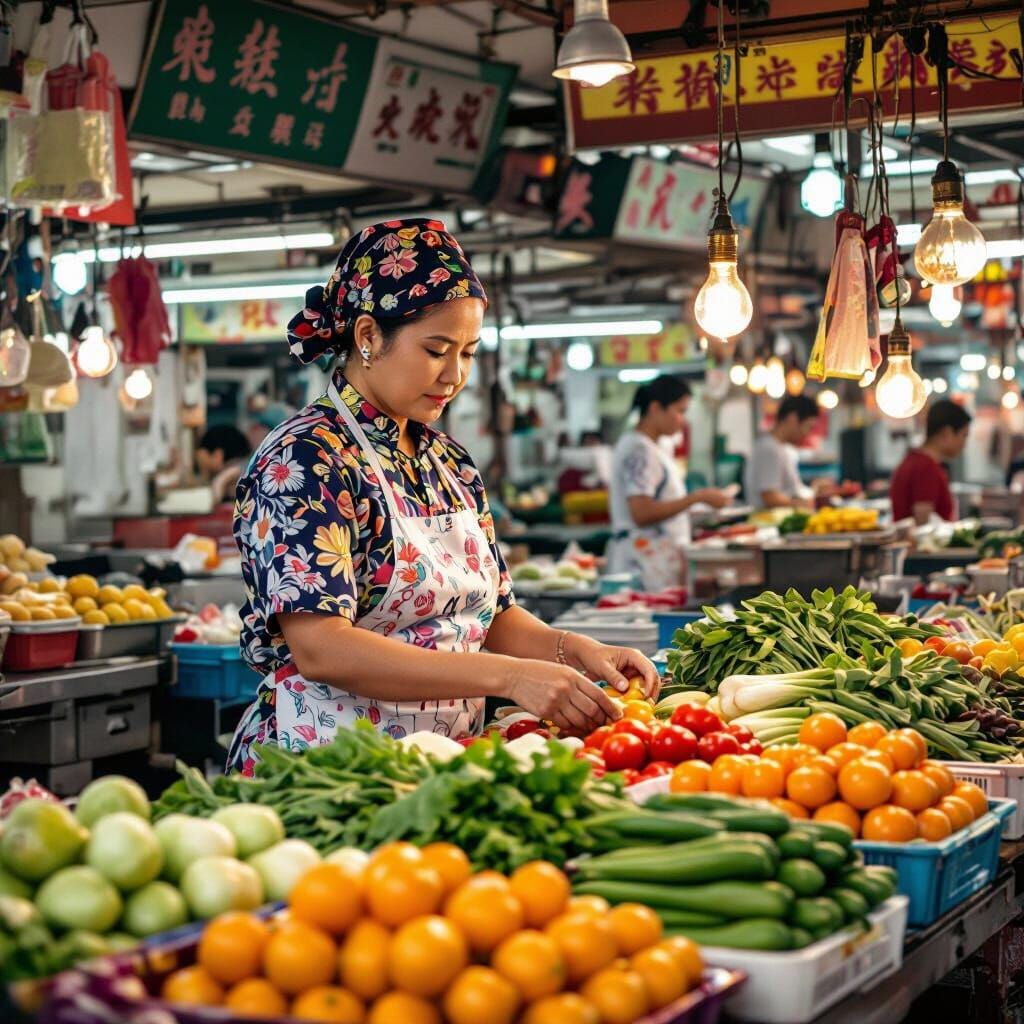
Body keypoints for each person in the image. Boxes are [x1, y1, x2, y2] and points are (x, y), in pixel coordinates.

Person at [227, 219, 658, 774]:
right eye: (436, 350)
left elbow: (493, 617)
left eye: (469, 353)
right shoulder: (306, 458)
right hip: (326, 768)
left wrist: (576, 650)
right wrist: (508, 676)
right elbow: (322, 648)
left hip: (443, 765)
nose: (454, 375)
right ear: (367, 336)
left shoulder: (449, 463)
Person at [607, 375, 729, 591]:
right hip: (642, 564)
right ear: (655, 409)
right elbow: (641, 513)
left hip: (654, 561)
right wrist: (697, 498)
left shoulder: (653, 448)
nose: (682, 420)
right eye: (679, 411)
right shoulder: (639, 450)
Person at [890, 399, 971, 524]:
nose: (964, 444)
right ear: (947, 433)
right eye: (964, 435)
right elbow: (923, 524)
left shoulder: (915, 460)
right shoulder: (925, 467)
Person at [745, 395, 819, 510]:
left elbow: (792, 490)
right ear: (792, 419)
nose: (806, 434)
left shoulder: (783, 449)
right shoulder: (768, 449)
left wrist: (815, 490)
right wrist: (804, 504)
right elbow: (770, 497)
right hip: (769, 524)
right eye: (808, 427)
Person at [195, 425, 252, 505]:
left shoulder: (236, 472)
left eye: (203, 458)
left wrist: (221, 480)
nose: (200, 463)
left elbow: (212, 501)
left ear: (218, 455)